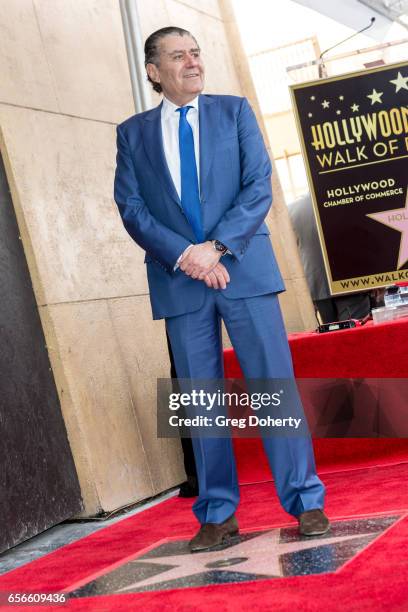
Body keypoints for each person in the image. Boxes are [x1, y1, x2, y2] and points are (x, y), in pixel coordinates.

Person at [114, 26, 329, 552]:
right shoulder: (132, 132)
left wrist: (217, 247)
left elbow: (259, 185)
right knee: (199, 399)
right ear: (153, 71)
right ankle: (216, 513)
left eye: (195, 53)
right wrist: (186, 255)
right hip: (179, 279)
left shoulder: (234, 112)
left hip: (243, 269)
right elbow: (131, 207)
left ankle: (305, 500)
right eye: (177, 56)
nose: (191, 62)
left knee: (272, 387)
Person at [289, 194, 371, 324]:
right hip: (350, 282)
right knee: (355, 334)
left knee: (331, 333)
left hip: (316, 284)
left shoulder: (291, 209)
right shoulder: (347, 200)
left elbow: (293, 251)